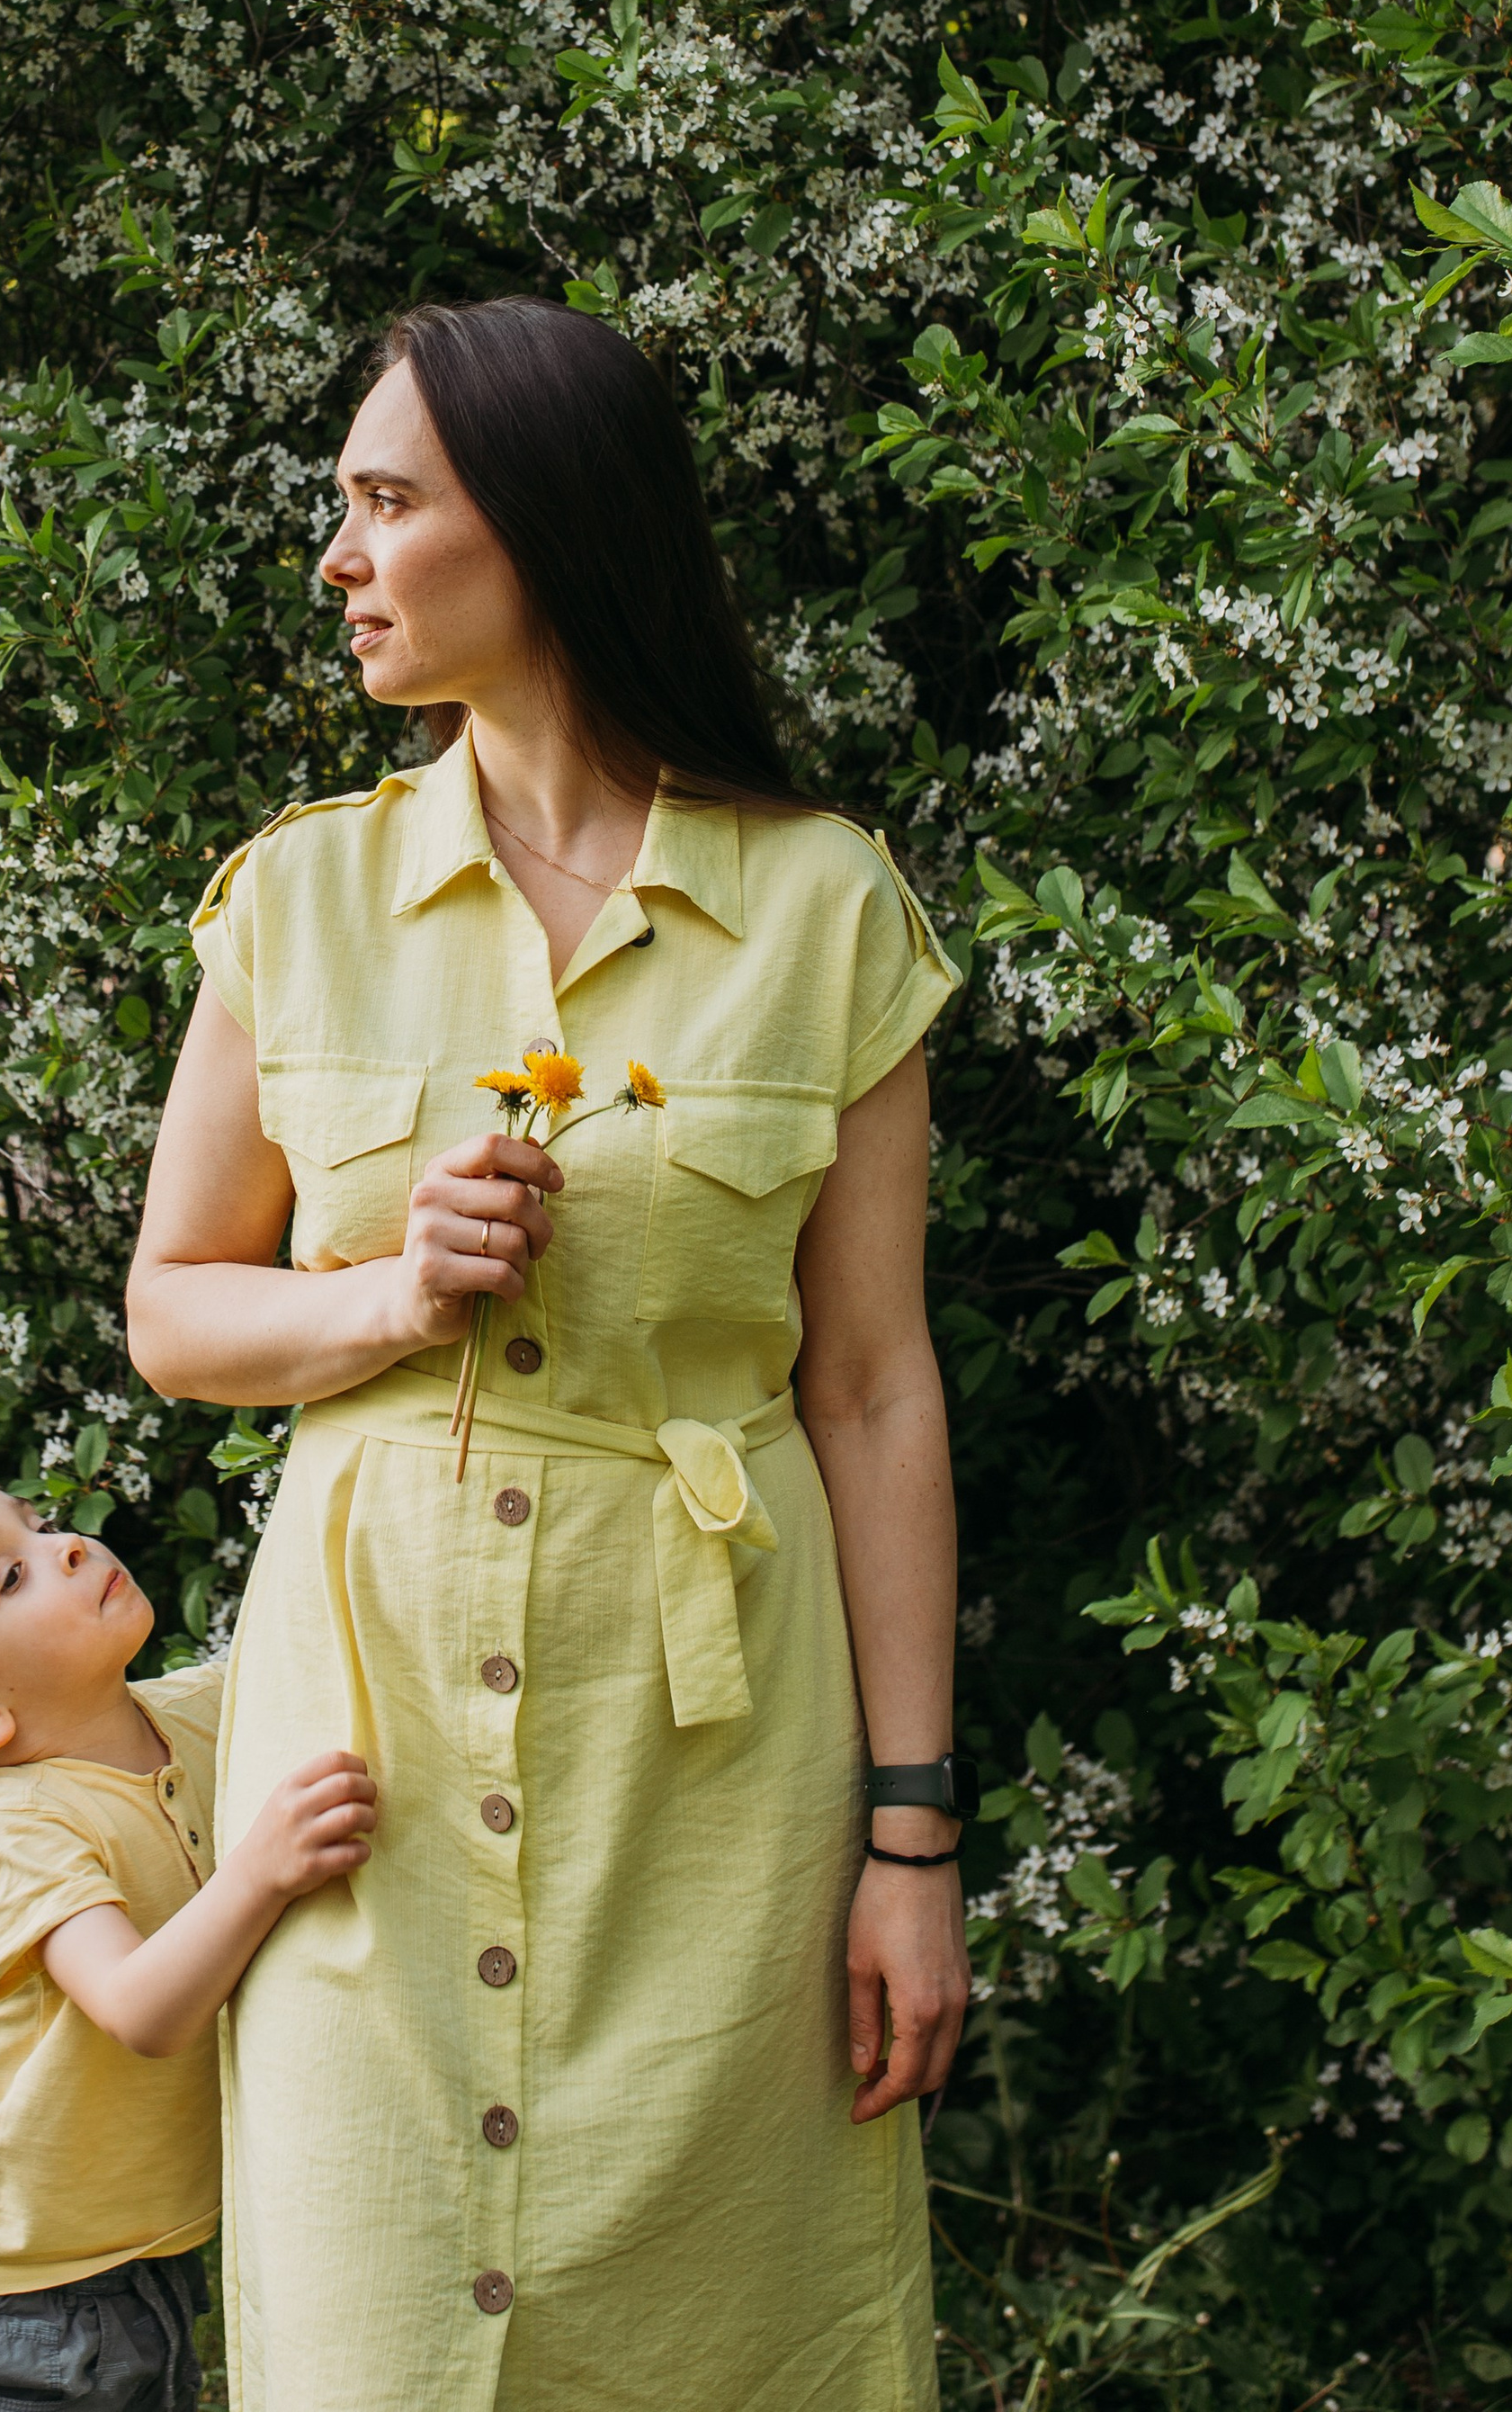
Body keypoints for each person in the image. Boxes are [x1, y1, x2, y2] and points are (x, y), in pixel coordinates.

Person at [127, 295, 971, 2412]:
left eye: (383, 501)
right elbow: (173, 1309)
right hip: (365, 1786)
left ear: (547, 525)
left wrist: (907, 1841)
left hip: (708, 1791)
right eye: (341, 506)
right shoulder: (293, 903)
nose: (337, 557)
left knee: (727, 2336)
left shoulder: (818, 911)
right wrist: (385, 1299)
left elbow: (867, 1391)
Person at [0, 1471, 377, 2412]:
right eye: (9, 1577)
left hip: (143, 2262)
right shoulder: (18, 1831)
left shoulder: (193, 1713)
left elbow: (318, 1656)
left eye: (38, 1524)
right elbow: (138, 2007)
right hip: (7, 2305)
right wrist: (258, 1871)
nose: (65, 1546)